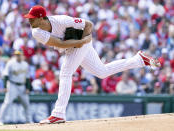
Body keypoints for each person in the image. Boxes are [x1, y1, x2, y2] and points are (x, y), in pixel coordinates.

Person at [24, 5, 160, 124]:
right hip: (75, 44)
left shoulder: (62, 20)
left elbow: (88, 24)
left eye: (32, 18)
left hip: (82, 40)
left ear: (42, 18)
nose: (29, 20)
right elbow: (60, 44)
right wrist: (80, 42)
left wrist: (85, 38)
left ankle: (58, 113)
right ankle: (139, 60)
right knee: (102, 72)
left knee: (65, 73)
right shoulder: (36, 31)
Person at [0, 50, 32, 125]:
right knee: (7, 103)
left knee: (26, 104)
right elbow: (5, 75)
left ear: (22, 55)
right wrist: (5, 86)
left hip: (22, 86)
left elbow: (28, 78)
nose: (17, 56)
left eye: (19, 55)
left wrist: (28, 88)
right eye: (16, 55)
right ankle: (0, 120)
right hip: (12, 85)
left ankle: (29, 120)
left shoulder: (25, 64)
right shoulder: (10, 63)